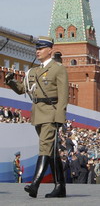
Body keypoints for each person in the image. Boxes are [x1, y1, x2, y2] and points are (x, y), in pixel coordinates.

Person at [6, 36, 68, 198]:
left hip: (51, 113)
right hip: (38, 114)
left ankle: (35, 184)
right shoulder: (34, 71)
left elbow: (63, 95)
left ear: (50, 50)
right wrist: (11, 82)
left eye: (41, 48)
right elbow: (23, 89)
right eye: (37, 49)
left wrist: (60, 117)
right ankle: (60, 187)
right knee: (52, 152)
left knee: (44, 147)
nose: (37, 51)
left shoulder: (58, 69)